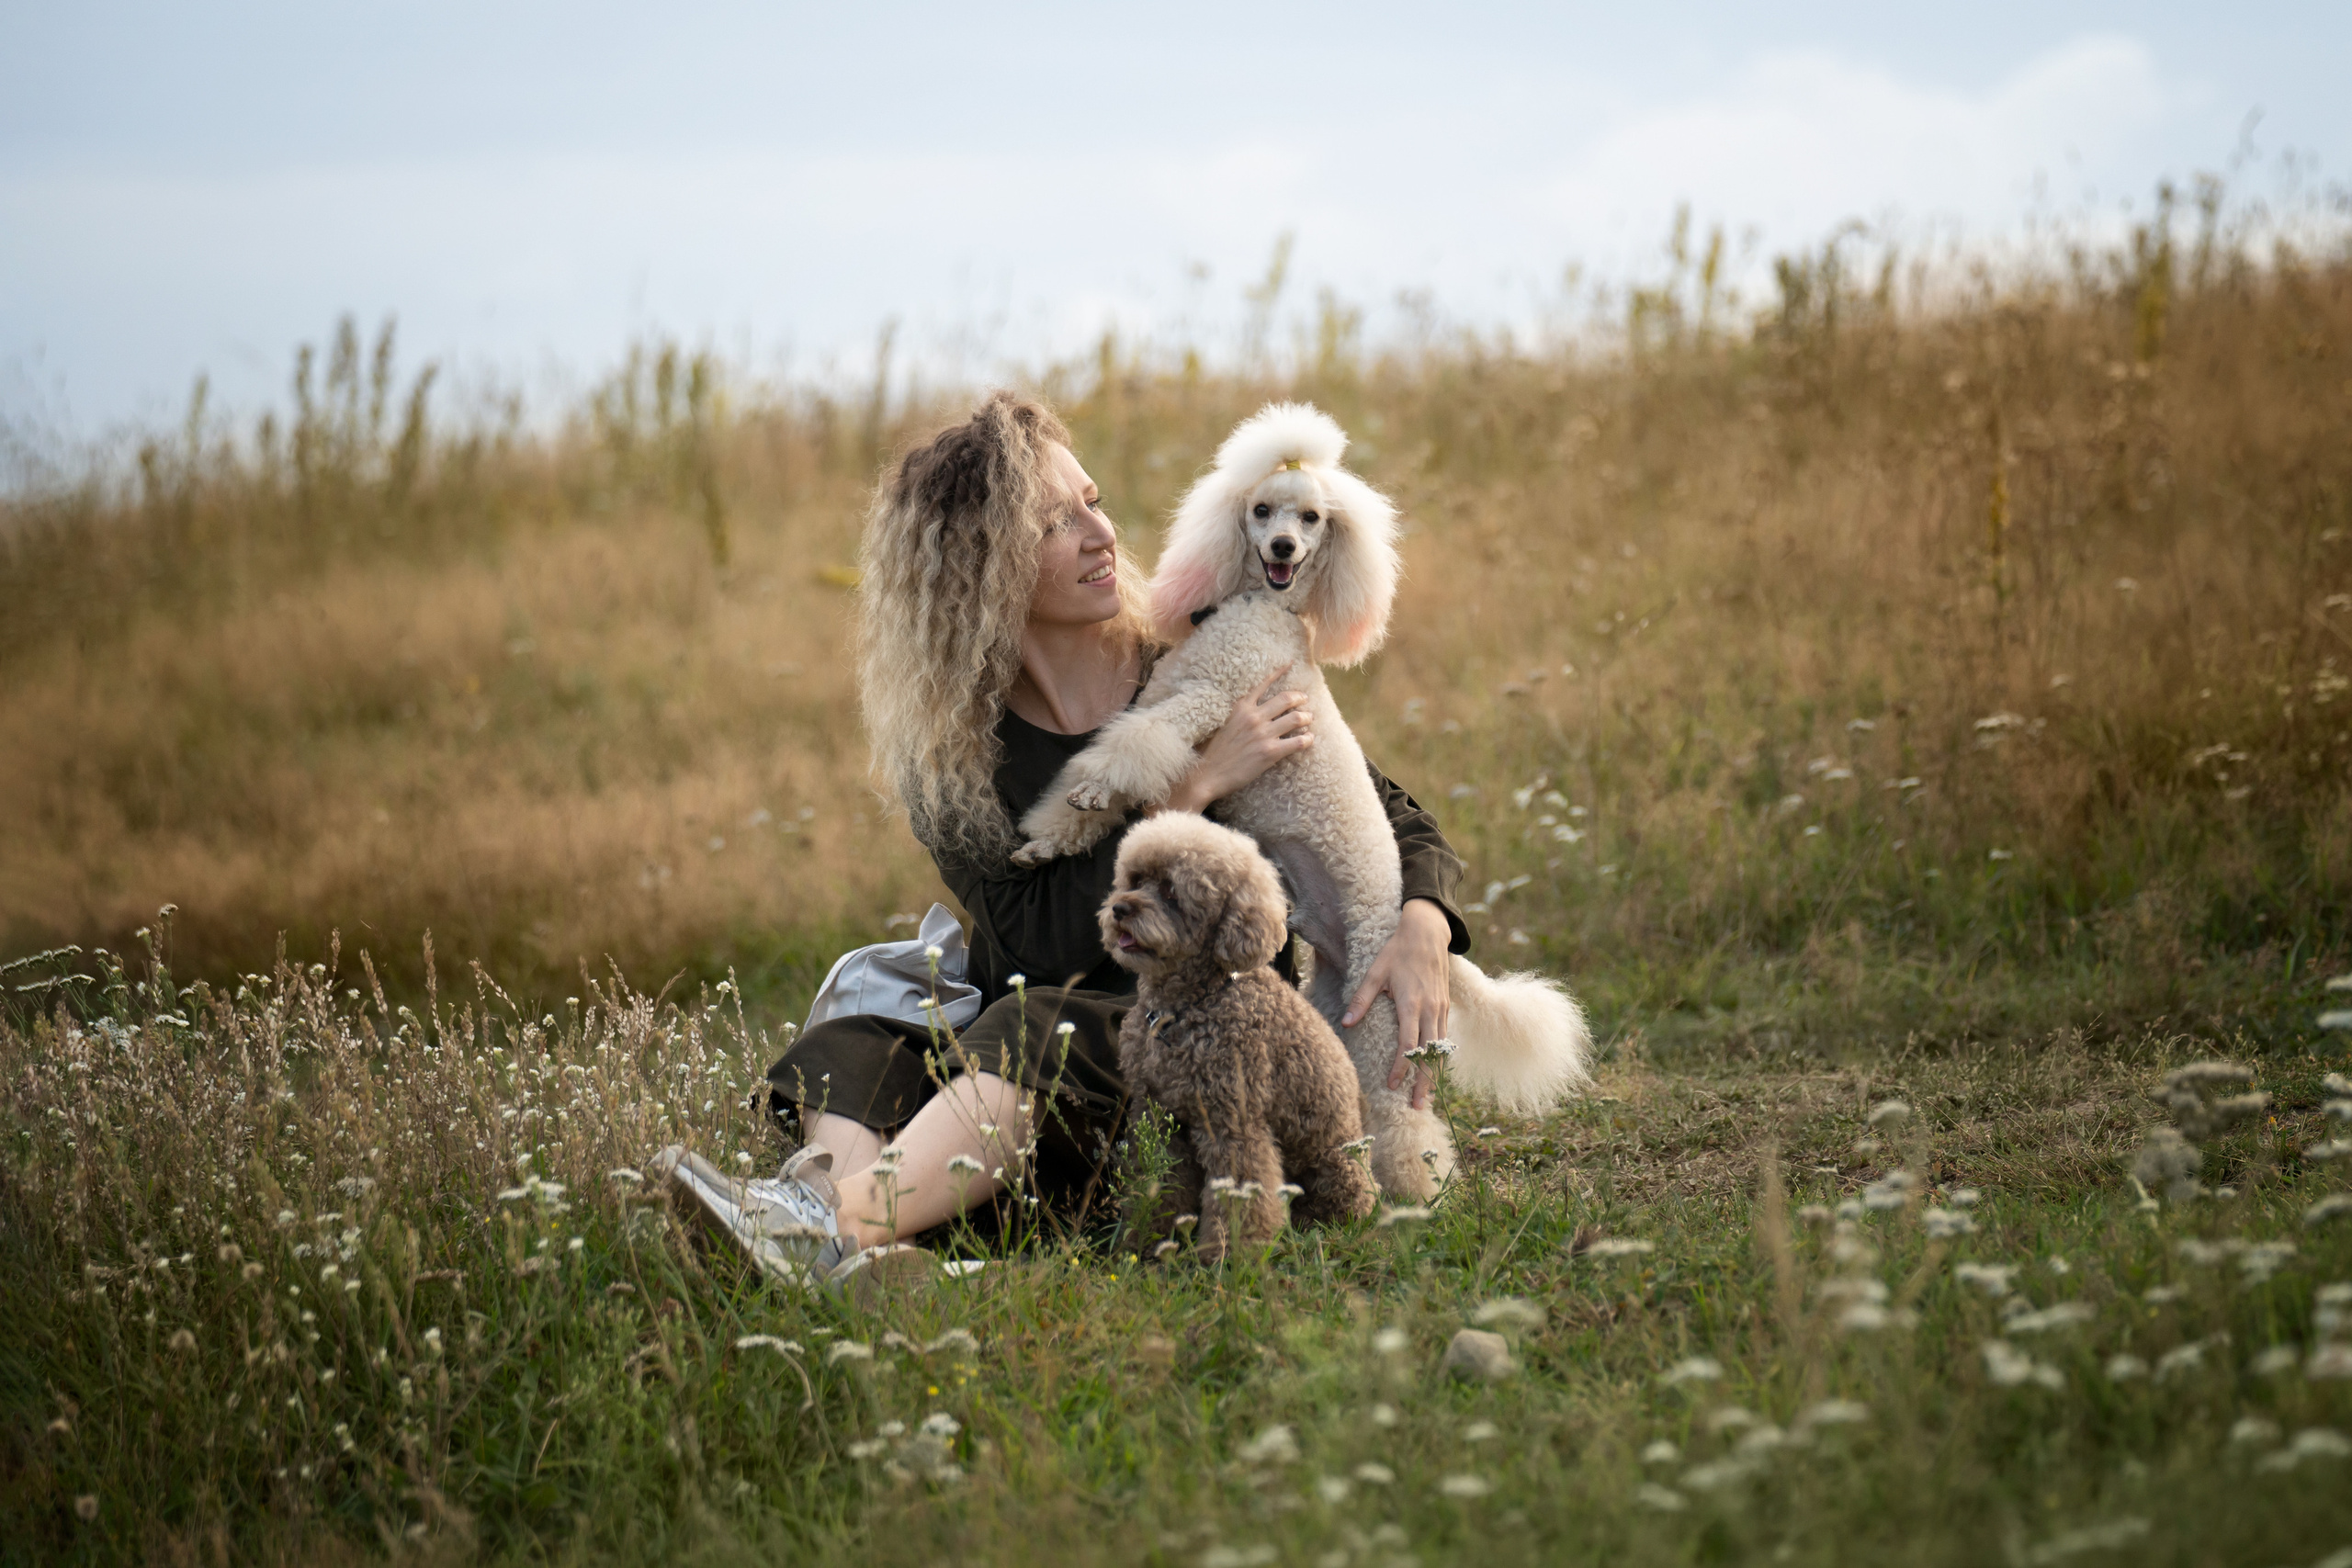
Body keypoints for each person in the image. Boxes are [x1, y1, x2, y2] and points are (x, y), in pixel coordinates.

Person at [657, 392, 1469, 1289]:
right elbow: (1039, 940)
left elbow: (1378, 804)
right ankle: (818, 1222)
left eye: (1094, 499)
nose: (1100, 534)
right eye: (1055, 522)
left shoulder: (1189, 663)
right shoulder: (954, 758)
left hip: (1202, 1045)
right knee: (863, 1035)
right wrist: (1193, 788)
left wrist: (1426, 919)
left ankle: (824, 1232)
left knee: (1029, 1024)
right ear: (981, 570)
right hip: (1035, 1087)